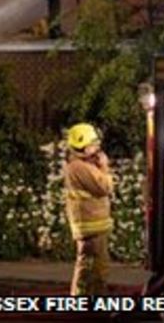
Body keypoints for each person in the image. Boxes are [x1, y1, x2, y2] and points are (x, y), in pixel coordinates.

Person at [63, 122, 113, 296]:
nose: (97, 147)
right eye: (93, 144)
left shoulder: (81, 165)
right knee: (90, 269)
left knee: (95, 268)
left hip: (92, 226)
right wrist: (104, 166)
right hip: (90, 226)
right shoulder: (79, 167)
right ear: (83, 146)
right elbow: (104, 187)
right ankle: (83, 300)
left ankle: (93, 298)